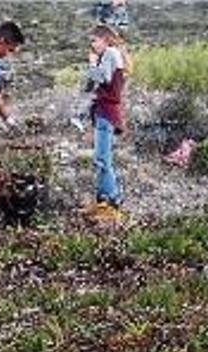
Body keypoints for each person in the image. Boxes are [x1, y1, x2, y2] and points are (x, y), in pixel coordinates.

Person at [82, 24, 130, 222]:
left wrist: (93, 64)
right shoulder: (110, 55)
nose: (92, 45)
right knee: (101, 158)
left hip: (107, 112)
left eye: (94, 40)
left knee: (102, 159)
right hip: (104, 112)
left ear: (105, 39)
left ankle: (113, 200)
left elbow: (104, 77)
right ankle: (102, 200)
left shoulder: (110, 53)